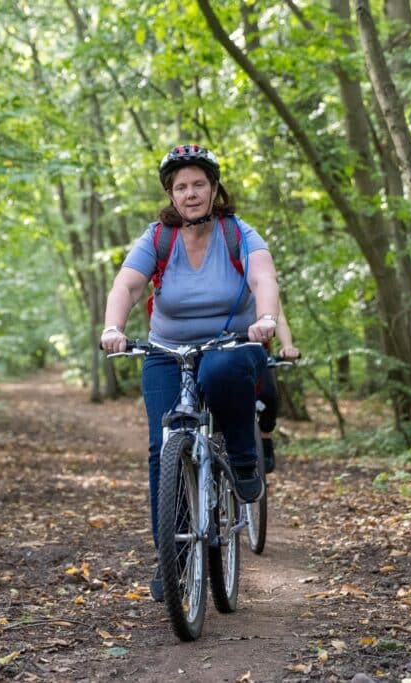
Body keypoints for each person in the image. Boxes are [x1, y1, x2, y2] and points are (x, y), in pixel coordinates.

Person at [99, 144, 279, 602]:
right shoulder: (158, 237)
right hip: (166, 349)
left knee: (222, 371)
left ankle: (242, 458)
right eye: (181, 187)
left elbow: (263, 278)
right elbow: (128, 283)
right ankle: (173, 560)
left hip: (231, 346)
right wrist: (113, 327)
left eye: (199, 183)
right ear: (171, 195)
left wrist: (266, 319)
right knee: (163, 448)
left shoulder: (238, 232)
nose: (191, 193)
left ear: (214, 188)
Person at [256, 301, 300, 475]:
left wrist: (287, 346)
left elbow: (279, 318)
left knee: (268, 394)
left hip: (255, 348)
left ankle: (265, 436)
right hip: (217, 346)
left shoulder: (260, 279)